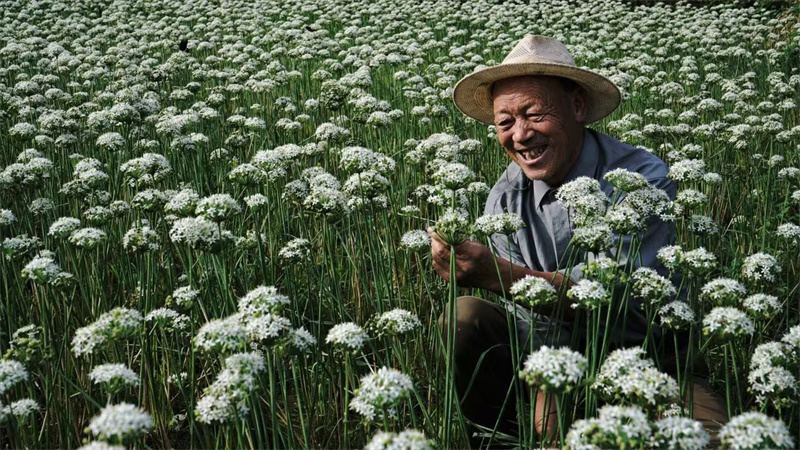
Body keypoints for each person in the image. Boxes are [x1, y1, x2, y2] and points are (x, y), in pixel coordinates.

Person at [428, 35, 726, 446]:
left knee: (708, 440)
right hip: (550, 349)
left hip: (652, 358)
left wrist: (500, 275)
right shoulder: (503, 198)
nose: (520, 135)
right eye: (505, 122)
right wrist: (549, 394)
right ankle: (497, 437)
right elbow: (532, 325)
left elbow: (626, 300)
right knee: (463, 317)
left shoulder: (642, 179)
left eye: (533, 114)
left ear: (579, 107)